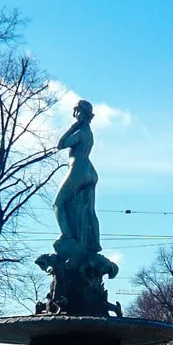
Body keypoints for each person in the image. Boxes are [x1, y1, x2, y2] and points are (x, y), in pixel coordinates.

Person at [52, 99, 101, 257]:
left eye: (78, 111)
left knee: (58, 204)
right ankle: (95, 243)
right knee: (89, 211)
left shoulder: (80, 132)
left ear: (83, 114)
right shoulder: (89, 133)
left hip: (78, 169)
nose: (76, 114)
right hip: (90, 171)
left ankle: (67, 236)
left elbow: (61, 144)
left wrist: (71, 127)